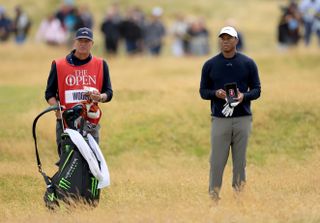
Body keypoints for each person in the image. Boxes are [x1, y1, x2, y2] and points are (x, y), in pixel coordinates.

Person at [199, 26, 261, 202]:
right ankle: (213, 198)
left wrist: (244, 96)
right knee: (217, 161)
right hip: (220, 119)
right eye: (223, 38)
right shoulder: (210, 64)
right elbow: (203, 92)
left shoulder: (248, 63)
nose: (225, 41)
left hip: (242, 118)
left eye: (229, 38)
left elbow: (257, 90)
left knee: (240, 162)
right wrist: (216, 94)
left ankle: (239, 197)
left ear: (236, 40)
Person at [45, 27, 113, 154]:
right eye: (80, 40)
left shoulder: (101, 64)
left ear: (92, 44)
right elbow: (49, 93)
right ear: (74, 42)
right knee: (66, 159)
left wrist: (100, 97)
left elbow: (109, 92)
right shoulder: (59, 65)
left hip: (90, 122)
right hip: (65, 121)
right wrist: (57, 108)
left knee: (91, 161)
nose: (83, 44)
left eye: (86, 41)